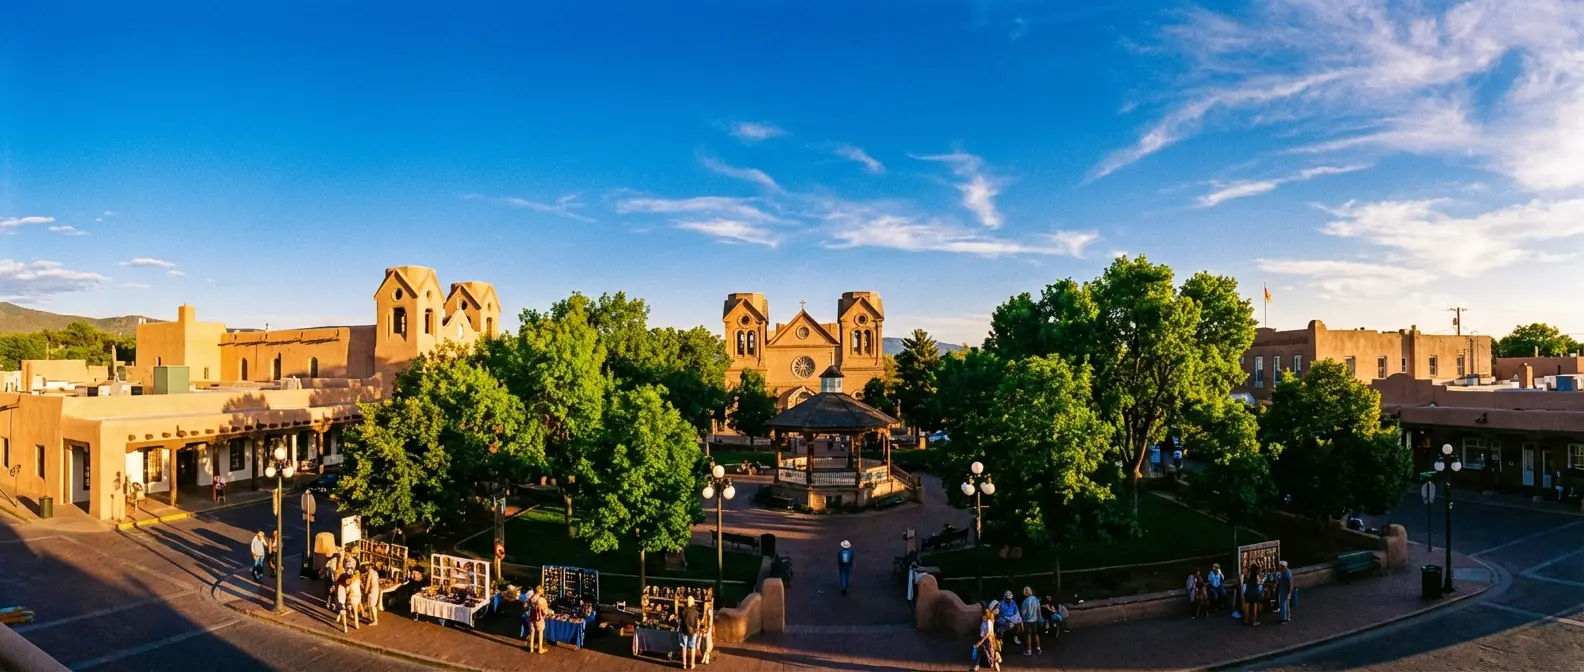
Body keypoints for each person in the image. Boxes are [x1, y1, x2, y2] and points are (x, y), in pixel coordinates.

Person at [972, 606, 999, 672]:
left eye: (985, 614)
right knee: (980, 652)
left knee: (991, 656)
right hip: (984, 639)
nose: (983, 615)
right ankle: (977, 666)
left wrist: (981, 641)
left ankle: (995, 669)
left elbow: (988, 633)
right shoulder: (984, 621)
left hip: (988, 641)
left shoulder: (989, 621)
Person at [523, 586, 549, 654]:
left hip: (532, 618)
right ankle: (540, 649)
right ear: (541, 592)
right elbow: (546, 611)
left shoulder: (531, 598)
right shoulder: (542, 600)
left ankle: (531, 648)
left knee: (532, 632)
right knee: (540, 633)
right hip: (539, 619)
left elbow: (525, 605)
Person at [680, 595, 701, 670]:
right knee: (692, 648)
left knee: (684, 647)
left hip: (684, 631)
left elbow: (681, 622)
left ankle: (684, 664)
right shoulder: (696, 612)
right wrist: (695, 630)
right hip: (692, 632)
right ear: (693, 602)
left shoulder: (683, 610)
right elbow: (696, 623)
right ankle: (692, 664)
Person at [1018, 587, 1041, 656]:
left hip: (1027, 620)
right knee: (1035, 634)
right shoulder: (1035, 599)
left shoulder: (1025, 601)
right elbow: (1038, 609)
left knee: (1027, 635)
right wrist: (1039, 617)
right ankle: (1038, 648)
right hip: (1035, 619)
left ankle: (1029, 650)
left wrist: (1021, 619)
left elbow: (1023, 612)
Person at [345, 566, 363, 630]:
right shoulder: (358, 580)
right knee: (355, 609)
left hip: (353, 597)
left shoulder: (349, 582)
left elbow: (347, 590)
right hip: (358, 596)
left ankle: (357, 625)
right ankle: (352, 615)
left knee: (354, 610)